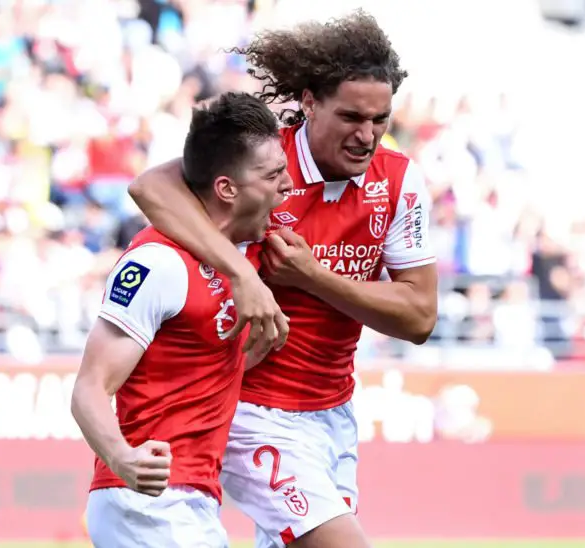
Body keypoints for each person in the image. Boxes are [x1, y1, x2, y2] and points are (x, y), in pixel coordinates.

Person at [128, 10, 439, 548]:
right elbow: (150, 187)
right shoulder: (265, 160)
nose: (367, 136)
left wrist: (313, 277)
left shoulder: (398, 181)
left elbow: (419, 317)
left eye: (380, 119)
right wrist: (241, 275)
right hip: (252, 409)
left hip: (334, 412)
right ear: (309, 102)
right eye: (351, 117)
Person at [71, 91, 292, 548]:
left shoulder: (244, 255)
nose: (287, 185)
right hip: (148, 501)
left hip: (191, 498)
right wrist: (122, 459)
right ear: (227, 189)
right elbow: (89, 388)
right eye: (273, 175)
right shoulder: (158, 263)